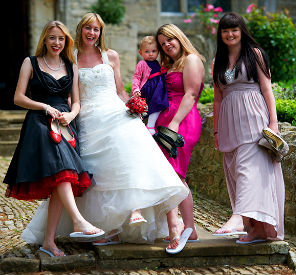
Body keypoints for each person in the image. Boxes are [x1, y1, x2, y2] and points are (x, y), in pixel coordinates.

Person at [22, 13, 189, 246]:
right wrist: (67, 114)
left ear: (101, 32)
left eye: (97, 29)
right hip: (89, 118)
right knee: (98, 170)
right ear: (80, 30)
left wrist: (134, 105)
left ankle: (149, 214)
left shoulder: (111, 56)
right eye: (88, 28)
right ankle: (109, 226)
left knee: (135, 148)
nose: (92, 33)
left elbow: (120, 90)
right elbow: (73, 97)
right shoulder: (71, 59)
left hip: (115, 111)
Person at [3, 21, 104, 257]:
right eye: (52, 38)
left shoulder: (72, 65)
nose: (56, 43)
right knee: (62, 168)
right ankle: (78, 220)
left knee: (62, 176)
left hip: (65, 124)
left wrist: (70, 114)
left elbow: (76, 101)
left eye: (61, 38)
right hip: (39, 123)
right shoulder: (30, 62)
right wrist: (45, 107)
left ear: (66, 41)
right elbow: (18, 97)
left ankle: (48, 242)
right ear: (44, 40)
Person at [212, 12, 284, 244]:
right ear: (220, 34)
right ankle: (256, 229)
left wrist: (273, 123)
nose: (230, 34)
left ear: (242, 31)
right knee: (235, 171)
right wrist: (216, 130)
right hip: (229, 124)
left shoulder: (255, 55)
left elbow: (267, 90)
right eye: (225, 30)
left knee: (249, 172)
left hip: (254, 120)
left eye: (234, 29)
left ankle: (237, 218)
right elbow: (218, 100)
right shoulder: (218, 61)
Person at [155, 24, 205, 253]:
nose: (167, 44)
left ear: (179, 38)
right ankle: (180, 227)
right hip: (166, 120)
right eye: (163, 42)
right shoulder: (170, 64)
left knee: (176, 174)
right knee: (167, 174)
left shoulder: (192, 59)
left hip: (182, 121)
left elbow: (191, 93)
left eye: (170, 40)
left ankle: (185, 227)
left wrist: (174, 123)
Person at [131, 36, 168, 134]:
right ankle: (142, 126)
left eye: (154, 51)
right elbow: (136, 77)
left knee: (158, 104)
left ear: (158, 52)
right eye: (147, 52)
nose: (151, 54)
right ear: (140, 53)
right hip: (147, 89)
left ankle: (150, 125)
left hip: (158, 89)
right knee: (142, 109)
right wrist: (136, 89)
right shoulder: (142, 63)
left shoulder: (159, 63)